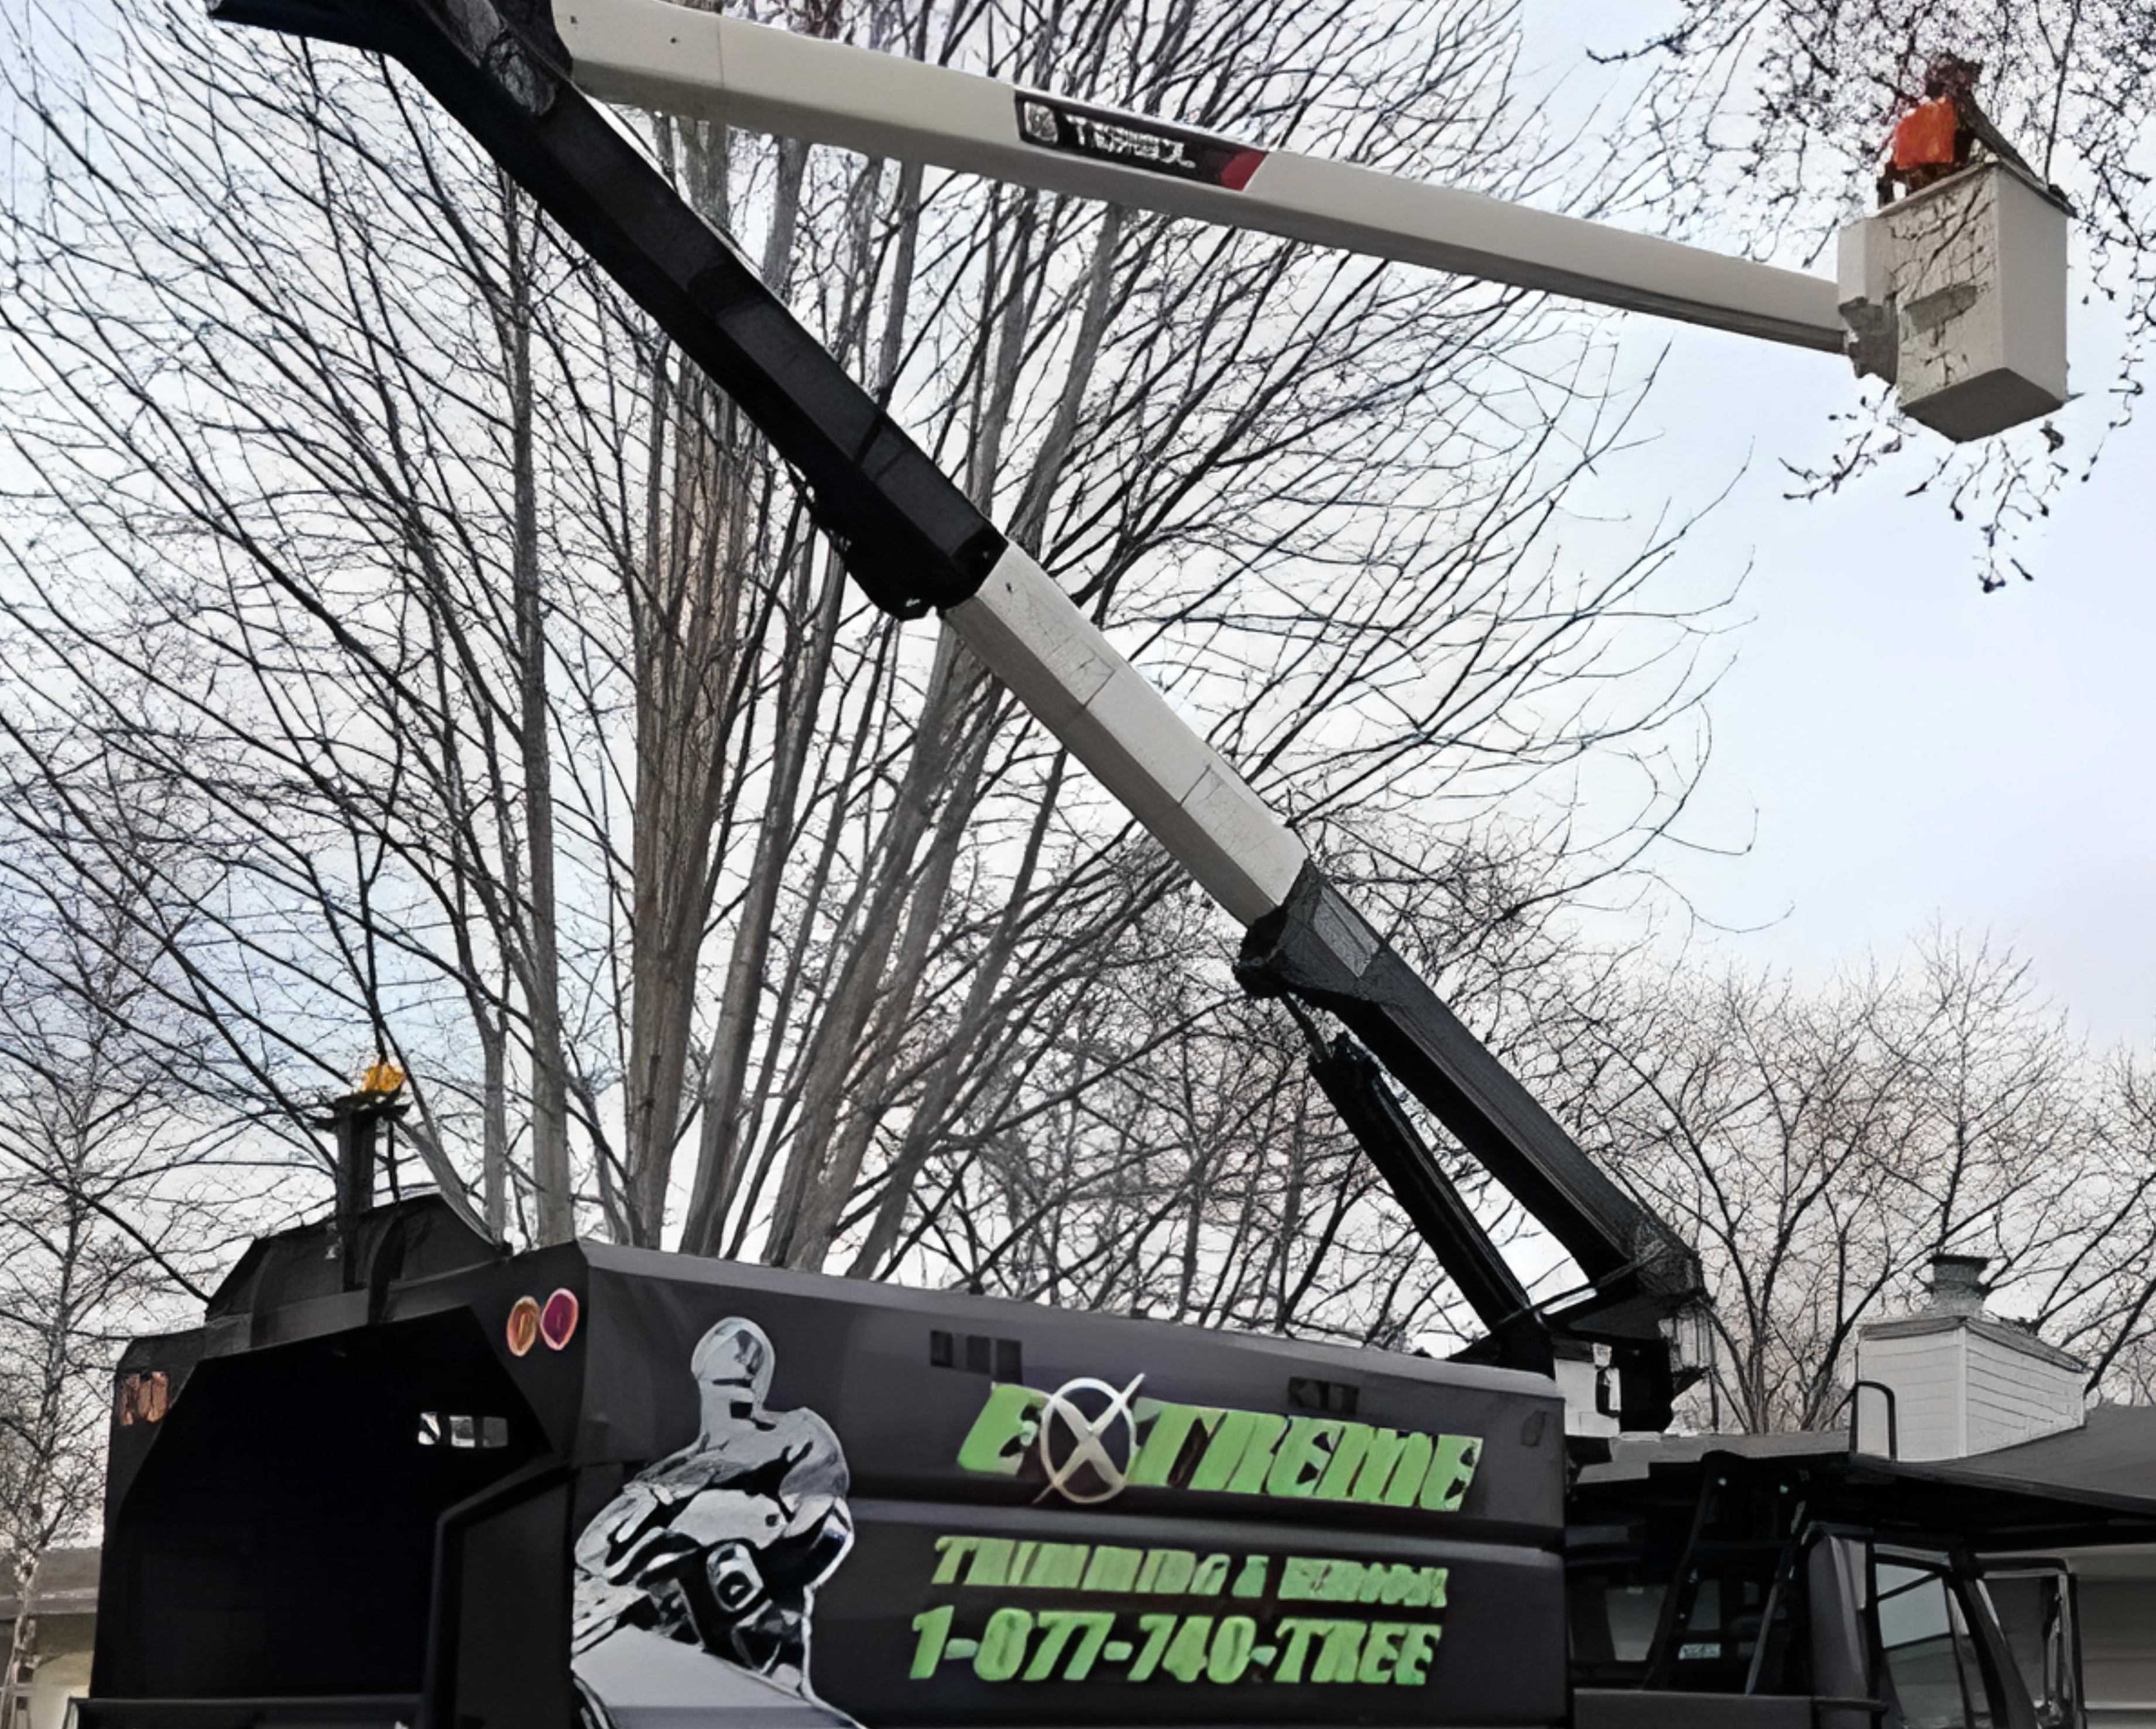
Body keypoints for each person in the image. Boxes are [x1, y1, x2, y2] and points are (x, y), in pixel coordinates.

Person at [573, 1317, 854, 1705]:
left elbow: (827, 1525)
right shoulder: (670, 1473)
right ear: (701, 1379)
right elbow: (594, 1550)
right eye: (728, 1371)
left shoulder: (796, 1434)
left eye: (750, 1365)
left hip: (760, 1638)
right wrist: (660, 1548)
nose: (743, 1366)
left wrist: (749, 1556)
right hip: (655, 1650)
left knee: (729, 1556)